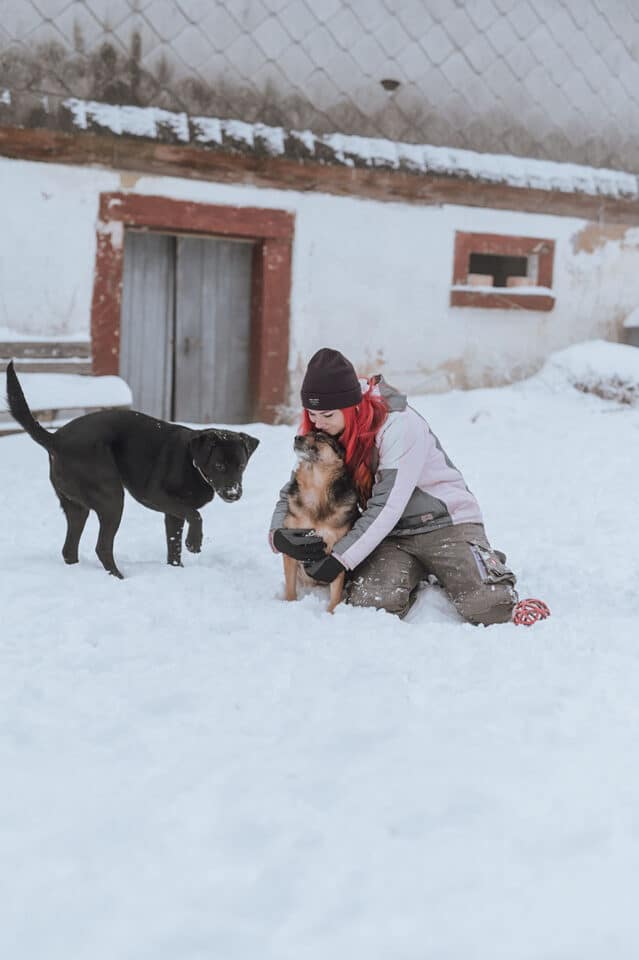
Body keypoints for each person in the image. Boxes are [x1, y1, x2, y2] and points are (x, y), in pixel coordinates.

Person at [270, 348, 549, 626]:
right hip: (390, 536)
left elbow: (388, 505)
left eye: (327, 415)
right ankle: (420, 572)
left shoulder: (399, 424)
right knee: (371, 602)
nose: (318, 423)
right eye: (312, 414)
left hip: (444, 524)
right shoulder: (323, 430)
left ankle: (477, 562)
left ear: (351, 405)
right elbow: (298, 483)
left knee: (487, 606)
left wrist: (342, 559)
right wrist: (279, 534)